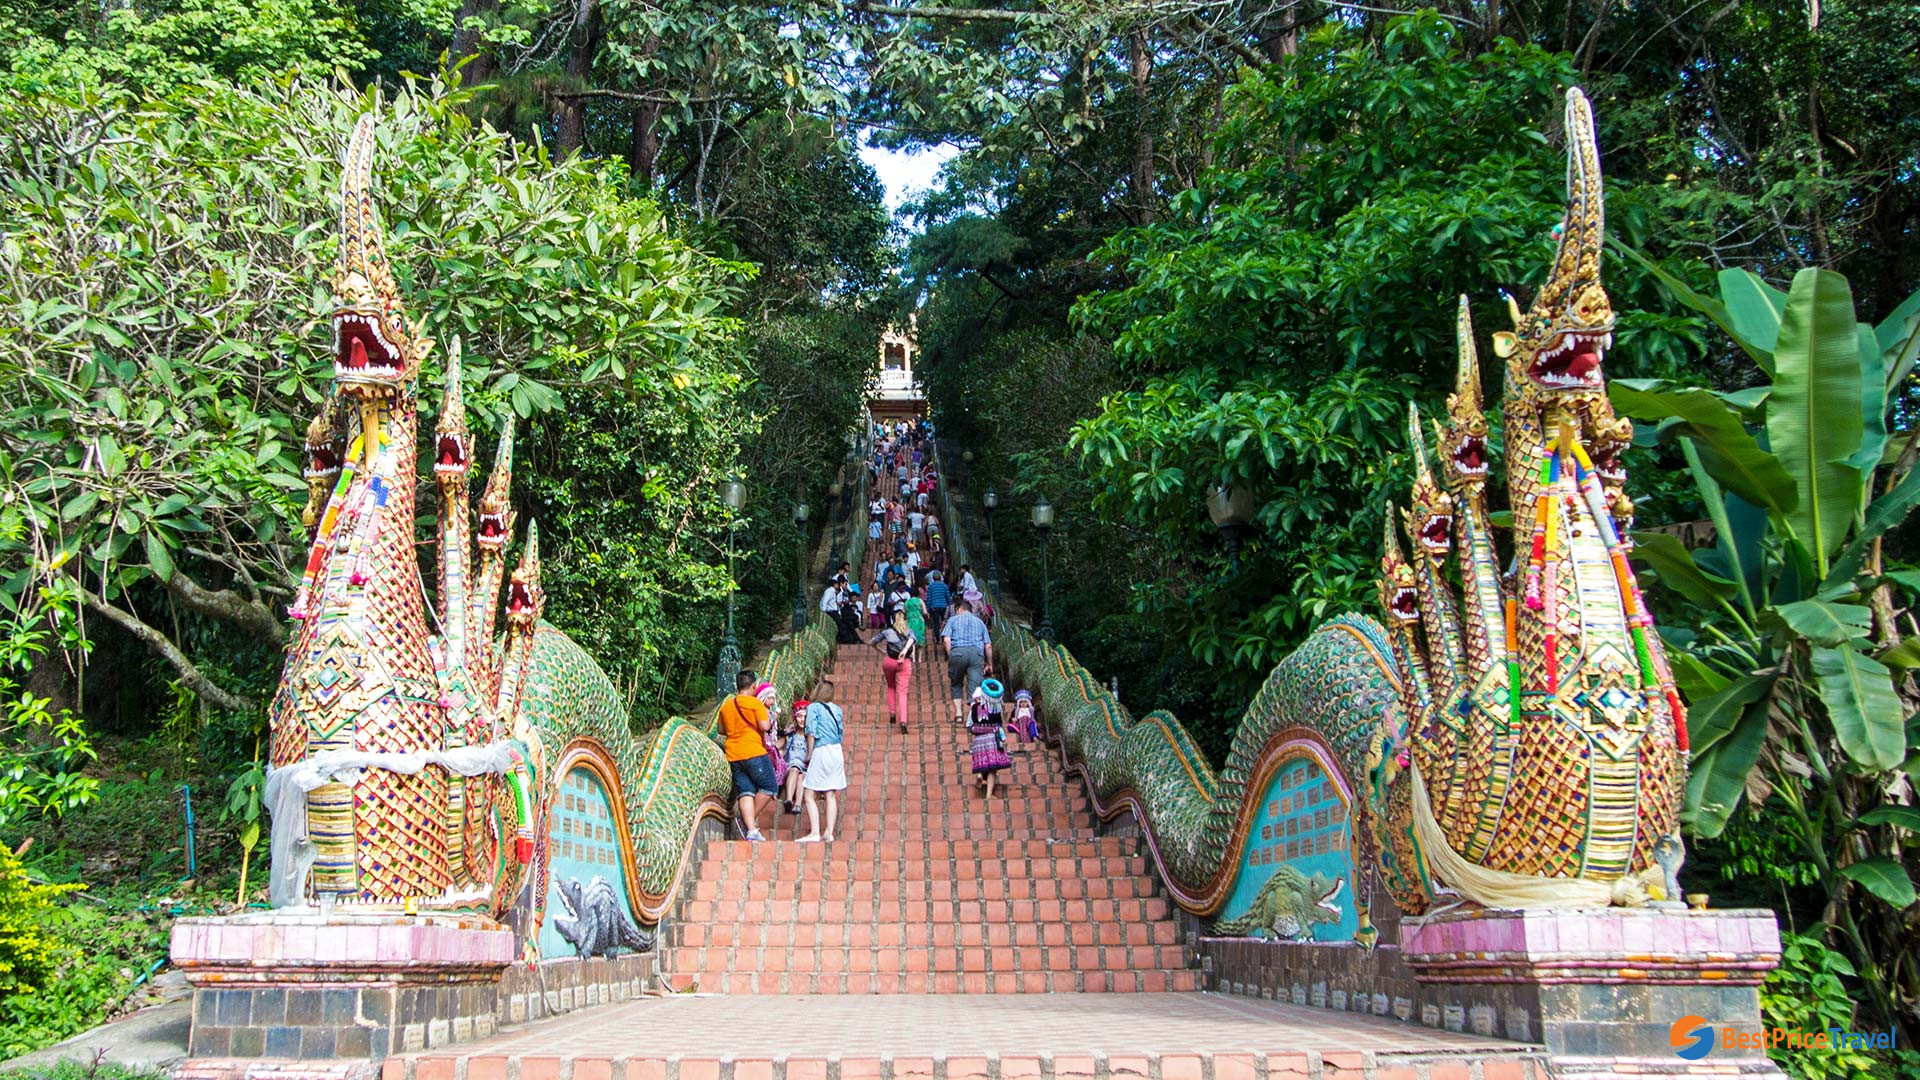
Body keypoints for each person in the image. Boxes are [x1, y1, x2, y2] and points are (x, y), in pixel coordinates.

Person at [718, 669, 776, 840]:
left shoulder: (726, 706)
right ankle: (745, 822)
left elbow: (721, 730)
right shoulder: (755, 704)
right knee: (769, 787)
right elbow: (765, 726)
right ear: (753, 686)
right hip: (753, 751)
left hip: (733, 755)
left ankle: (751, 830)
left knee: (746, 790)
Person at [799, 681, 847, 842]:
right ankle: (829, 832)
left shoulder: (813, 707)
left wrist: (809, 754)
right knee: (830, 794)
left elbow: (811, 732)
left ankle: (814, 832)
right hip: (836, 751)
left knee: (809, 794)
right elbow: (840, 733)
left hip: (821, 750)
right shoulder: (837, 709)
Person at [941, 598, 993, 725]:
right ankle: (973, 716)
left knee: (956, 683)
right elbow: (988, 646)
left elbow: (946, 640)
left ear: (959, 609)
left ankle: (959, 715)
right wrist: (990, 664)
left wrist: (951, 655)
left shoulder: (953, 620)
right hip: (976, 654)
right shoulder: (980, 622)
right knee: (975, 686)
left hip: (957, 653)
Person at [869, 607, 917, 732]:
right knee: (902, 692)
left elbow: (872, 642)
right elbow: (912, 639)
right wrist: (904, 651)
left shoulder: (887, 632)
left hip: (889, 661)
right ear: (905, 620)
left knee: (891, 687)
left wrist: (881, 651)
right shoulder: (909, 630)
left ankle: (892, 714)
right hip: (904, 663)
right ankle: (903, 722)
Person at [968, 679, 1012, 798]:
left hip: (978, 739)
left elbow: (972, 721)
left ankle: (979, 774)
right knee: (992, 768)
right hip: (991, 738)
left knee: (982, 762)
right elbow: (998, 723)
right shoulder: (995, 707)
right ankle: (989, 795)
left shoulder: (974, 707)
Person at [779, 703, 810, 813]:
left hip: (805, 768)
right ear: (795, 717)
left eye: (805, 717)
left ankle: (798, 804)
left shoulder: (810, 737)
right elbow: (778, 747)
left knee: (802, 777)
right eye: (800, 716)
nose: (802, 720)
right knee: (794, 769)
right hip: (791, 765)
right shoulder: (790, 735)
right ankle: (788, 799)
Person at [924, 571, 951, 647]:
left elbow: (929, 598)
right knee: (945, 622)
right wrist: (950, 605)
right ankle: (944, 637)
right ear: (940, 577)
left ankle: (938, 639)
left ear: (933, 578)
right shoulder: (944, 586)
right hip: (944, 606)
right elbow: (948, 596)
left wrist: (928, 609)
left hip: (934, 607)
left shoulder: (931, 586)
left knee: (936, 624)